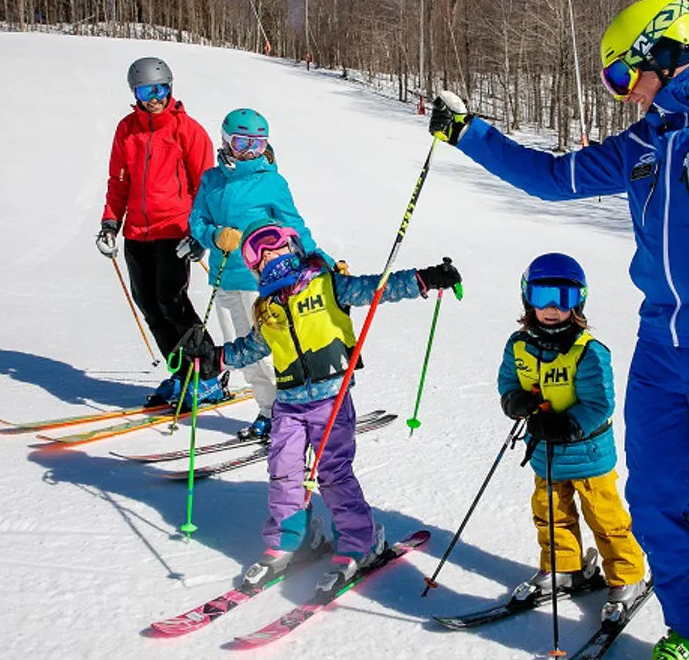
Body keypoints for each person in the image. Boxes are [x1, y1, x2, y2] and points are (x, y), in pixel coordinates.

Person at [429, 0, 689, 660]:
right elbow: (551, 177)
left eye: (623, 77)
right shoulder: (649, 138)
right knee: (653, 496)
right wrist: (469, 132)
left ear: (663, 51)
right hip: (662, 348)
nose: (623, 95)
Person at [177, 224, 462, 592]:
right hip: (289, 405)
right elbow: (253, 348)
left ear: (293, 247)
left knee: (332, 473)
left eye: (273, 247)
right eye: (256, 256)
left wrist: (425, 278)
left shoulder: (327, 283)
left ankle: (361, 542)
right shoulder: (266, 308)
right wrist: (216, 357)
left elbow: (378, 288)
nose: (267, 257)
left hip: (332, 398)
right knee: (283, 471)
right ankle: (291, 541)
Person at [498, 253, 647, 623]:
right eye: (542, 294)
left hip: (588, 453)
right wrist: (515, 400)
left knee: (606, 518)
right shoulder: (518, 345)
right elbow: (509, 382)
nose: (551, 308)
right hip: (545, 453)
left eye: (562, 298)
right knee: (550, 514)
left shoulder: (588, 351)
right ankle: (563, 567)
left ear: (577, 301)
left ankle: (628, 576)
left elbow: (599, 403)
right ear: (527, 297)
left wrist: (567, 426)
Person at [188, 108, 335, 441]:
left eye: (258, 143)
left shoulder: (271, 182)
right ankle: (268, 412)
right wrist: (213, 236)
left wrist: (319, 258)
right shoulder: (211, 181)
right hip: (225, 278)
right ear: (226, 141)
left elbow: (295, 227)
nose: (251, 151)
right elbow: (196, 221)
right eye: (243, 142)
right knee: (243, 355)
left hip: (264, 281)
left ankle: (289, 414)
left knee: (269, 350)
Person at [95, 56, 222, 408]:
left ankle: (208, 375)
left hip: (174, 231)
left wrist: (199, 234)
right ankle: (182, 372)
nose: (154, 96)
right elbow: (118, 182)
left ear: (170, 87)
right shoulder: (127, 130)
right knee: (149, 304)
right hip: (137, 232)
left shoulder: (188, 130)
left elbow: (204, 188)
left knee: (173, 302)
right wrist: (110, 223)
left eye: (160, 88)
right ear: (134, 92)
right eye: (145, 90)